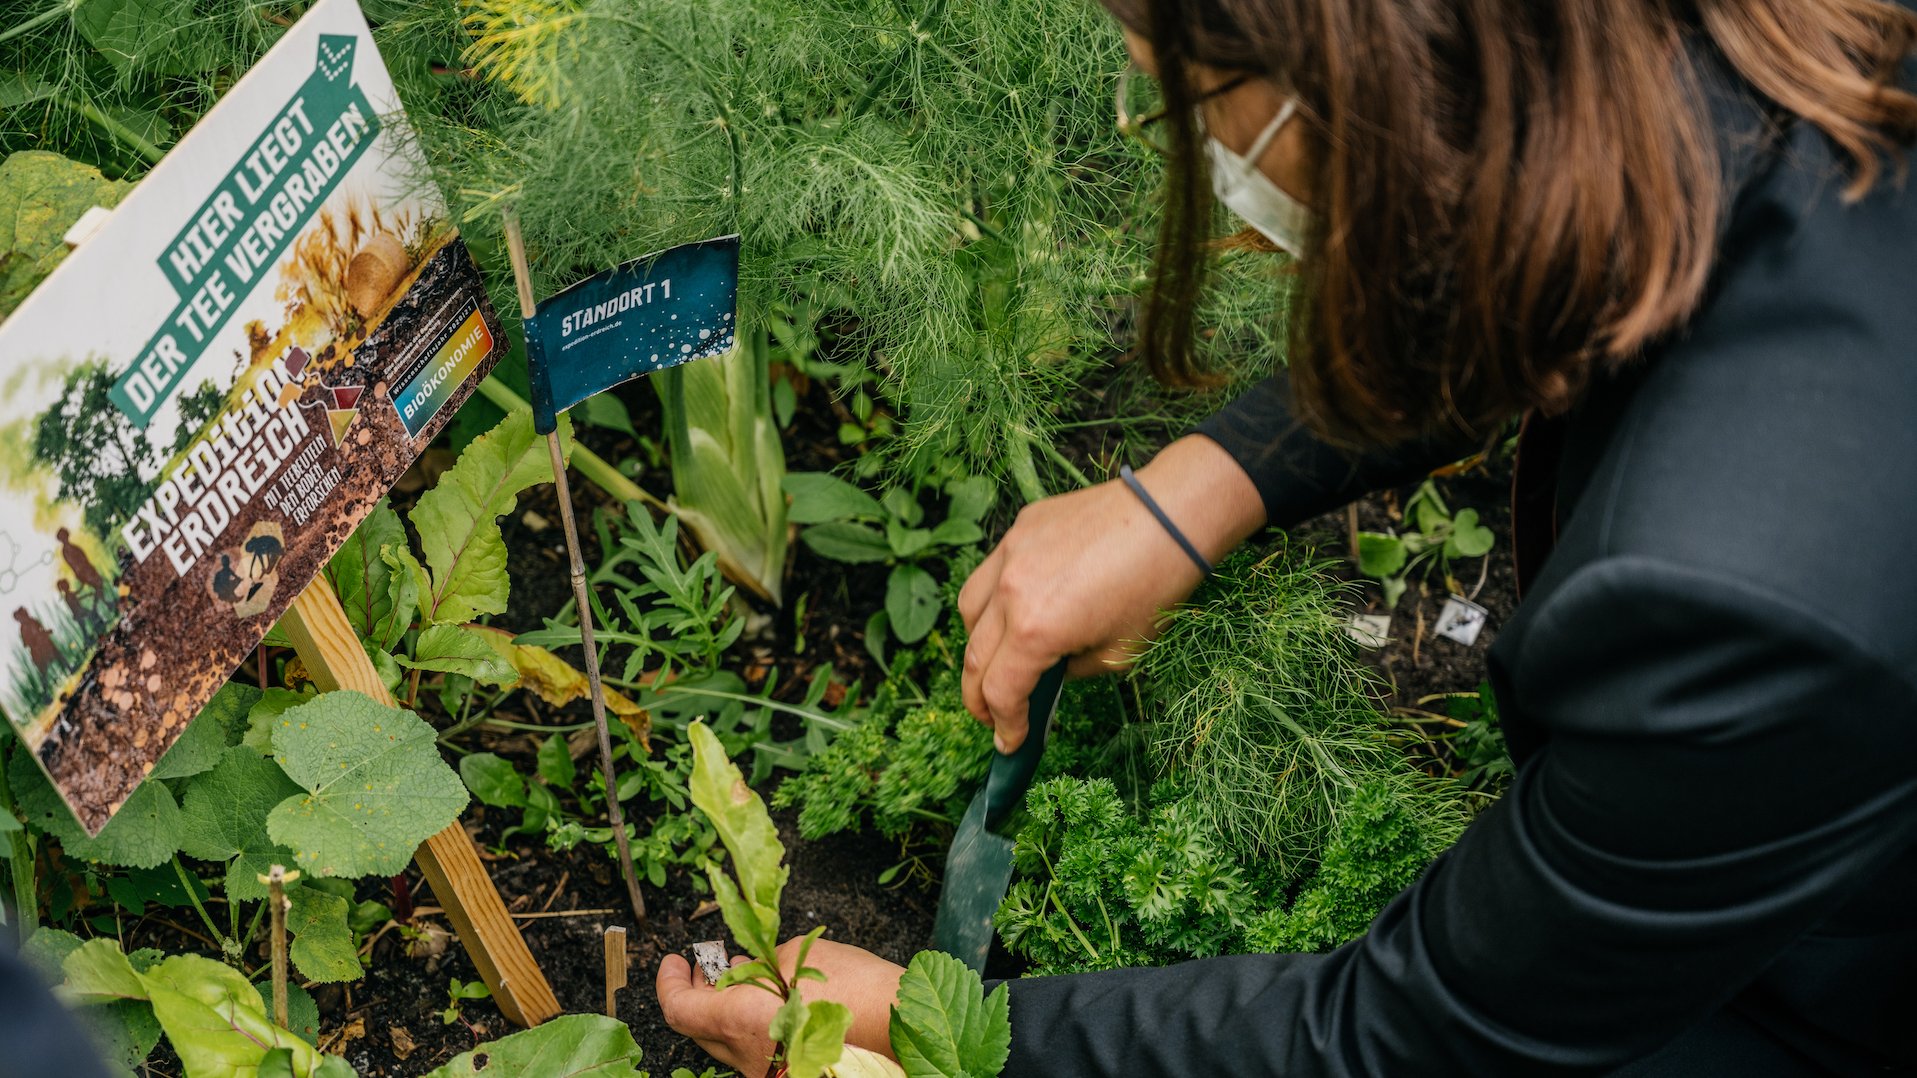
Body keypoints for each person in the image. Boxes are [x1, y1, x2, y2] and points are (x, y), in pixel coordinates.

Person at [656, 1, 1917, 1074]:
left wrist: (951, 1036)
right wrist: (1192, 492)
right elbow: (1539, 241)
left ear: (1349, 88)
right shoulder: (1694, 50)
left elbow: (1409, 1037)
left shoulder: (1725, 598)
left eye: (1176, 94)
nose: (1187, 147)